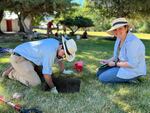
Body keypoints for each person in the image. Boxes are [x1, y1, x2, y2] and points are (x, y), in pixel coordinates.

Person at [2, 37, 77, 93]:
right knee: (36, 83)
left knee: (44, 76)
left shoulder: (57, 44)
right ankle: (12, 73)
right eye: (64, 54)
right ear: (61, 46)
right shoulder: (50, 52)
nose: (63, 57)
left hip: (30, 58)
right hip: (19, 58)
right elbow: (46, 73)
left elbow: (59, 59)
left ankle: (17, 67)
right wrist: (53, 88)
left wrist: (63, 70)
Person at [96, 18, 146, 83]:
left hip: (132, 70)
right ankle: (119, 74)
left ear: (126, 28)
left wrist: (115, 64)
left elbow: (132, 64)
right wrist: (108, 61)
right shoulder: (119, 38)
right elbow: (117, 56)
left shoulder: (133, 42)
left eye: (120, 28)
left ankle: (132, 78)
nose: (117, 31)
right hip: (121, 65)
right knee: (98, 73)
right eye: (115, 29)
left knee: (102, 78)